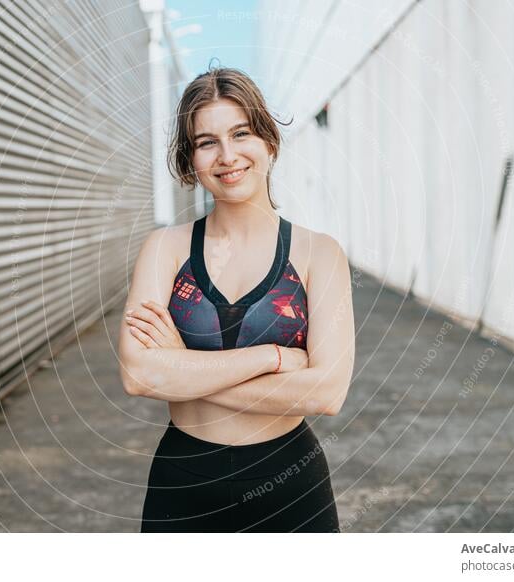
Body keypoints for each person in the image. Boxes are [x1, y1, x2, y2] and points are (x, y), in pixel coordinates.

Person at [118, 66, 355, 532]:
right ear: (191, 158)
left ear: (268, 140)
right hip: (184, 484)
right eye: (207, 142)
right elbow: (138, 374)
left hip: (290, 483)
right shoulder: (165, 249)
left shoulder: (317, 254)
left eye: (241, 133)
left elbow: (326, 392)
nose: (227, 156)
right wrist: (271, 357)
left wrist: (183, 366)